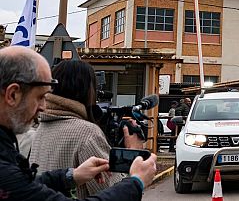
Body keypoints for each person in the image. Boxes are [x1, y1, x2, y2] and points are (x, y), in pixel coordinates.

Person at [0, 45, 157, 200]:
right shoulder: (87, 133)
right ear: (13, 94)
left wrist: (72, 176)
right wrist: (135, 181)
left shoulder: (12, 143)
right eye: (40, 97)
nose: (43, 107)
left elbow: (25, 186)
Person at [30, 60, 144, 197]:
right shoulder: (86, 133)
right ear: (88, 90)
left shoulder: (37, 128)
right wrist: (132, 153)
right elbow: (112, 191)